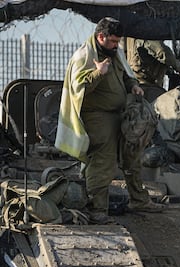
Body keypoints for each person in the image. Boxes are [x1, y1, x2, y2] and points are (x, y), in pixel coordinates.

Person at [55, 17, 164, 224]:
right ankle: (97, 210)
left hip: (120, 114)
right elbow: (79, 91)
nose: (116, 45)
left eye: (118, 41)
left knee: (132, 157)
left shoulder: (114, 53)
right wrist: (98, 73)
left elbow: (125, 76)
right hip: (97, 117)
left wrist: (133, 85)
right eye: (113, 41)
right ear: (100, 37)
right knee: (103, 162)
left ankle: (139, 199)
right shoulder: (84, 56)